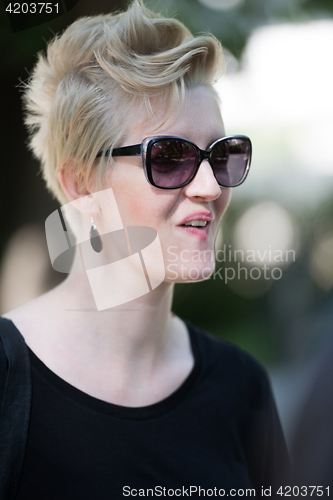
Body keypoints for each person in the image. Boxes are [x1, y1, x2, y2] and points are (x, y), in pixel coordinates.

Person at [0, 1, 289, 498]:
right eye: (171, 157)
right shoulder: (7, 381)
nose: (209, 187)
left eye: (222, 156)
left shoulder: (243, 388)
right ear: (80, 184)